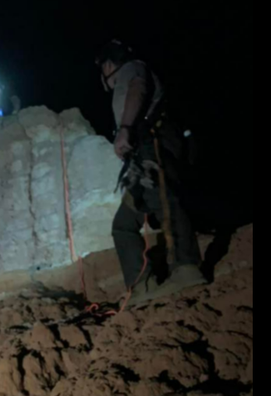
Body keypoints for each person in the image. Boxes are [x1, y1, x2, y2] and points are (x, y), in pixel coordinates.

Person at [97, 40, 206, 306]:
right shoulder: (129, 72)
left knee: (165, 199)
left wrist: (124, 128)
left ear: (108, 64)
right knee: (123, 225)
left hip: (153, 142)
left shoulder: (131, 69)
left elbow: (138, 88)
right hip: (141, 157)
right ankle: (140, 286)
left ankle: (187, 268)